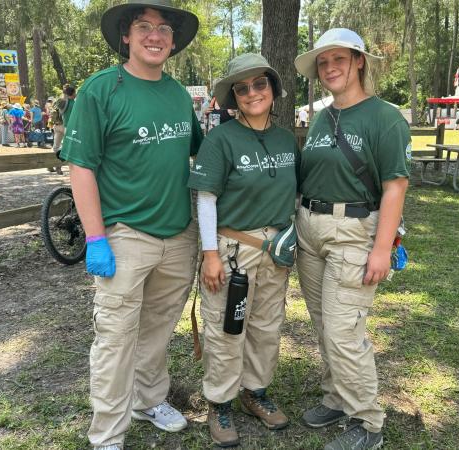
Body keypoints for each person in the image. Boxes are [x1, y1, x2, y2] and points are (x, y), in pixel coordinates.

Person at [59, 1, 202, 448]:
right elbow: (80, 167)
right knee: (116, 339)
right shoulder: (101, 90)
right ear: (127, 34)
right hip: (125, 237)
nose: (154, 36)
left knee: (158, 330)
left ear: (173, 40)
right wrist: (97, 237)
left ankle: (148, 400)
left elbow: (200, 154)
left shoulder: (178, 94)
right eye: (144, 27)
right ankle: (107, 434)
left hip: (178, 235)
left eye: (163, 29)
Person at [293, 28, 410, 450]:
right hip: (310, 227)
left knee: (345, 330)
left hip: (354, 232)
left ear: (359, 61)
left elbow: (395, 186)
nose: (329, 68)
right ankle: (337, 398)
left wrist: (381, 248)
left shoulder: (385, 117)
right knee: (325, 324)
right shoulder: (325, 116)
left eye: (338, 59)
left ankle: (367, 423)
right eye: (323, 63)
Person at [188, 53, 297, 447]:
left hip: (276, 250)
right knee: (226, 326)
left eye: (259, 84)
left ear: (272, 87)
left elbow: (295, 192)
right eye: (242, 87)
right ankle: (220, 401)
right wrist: (210, 253)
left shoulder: (286, 139)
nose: (253, 92)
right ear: (233, 95)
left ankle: (256, 391)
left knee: (268, 324)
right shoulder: (221, 139)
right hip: (233, 249)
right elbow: (205, 198)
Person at [51, 84, 76, 155]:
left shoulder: (61, 101)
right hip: (68, 127)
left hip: (58, 125)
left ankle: (55, 163)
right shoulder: (74, 103)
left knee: (56, 147)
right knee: (69, 146)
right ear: (73, 93)